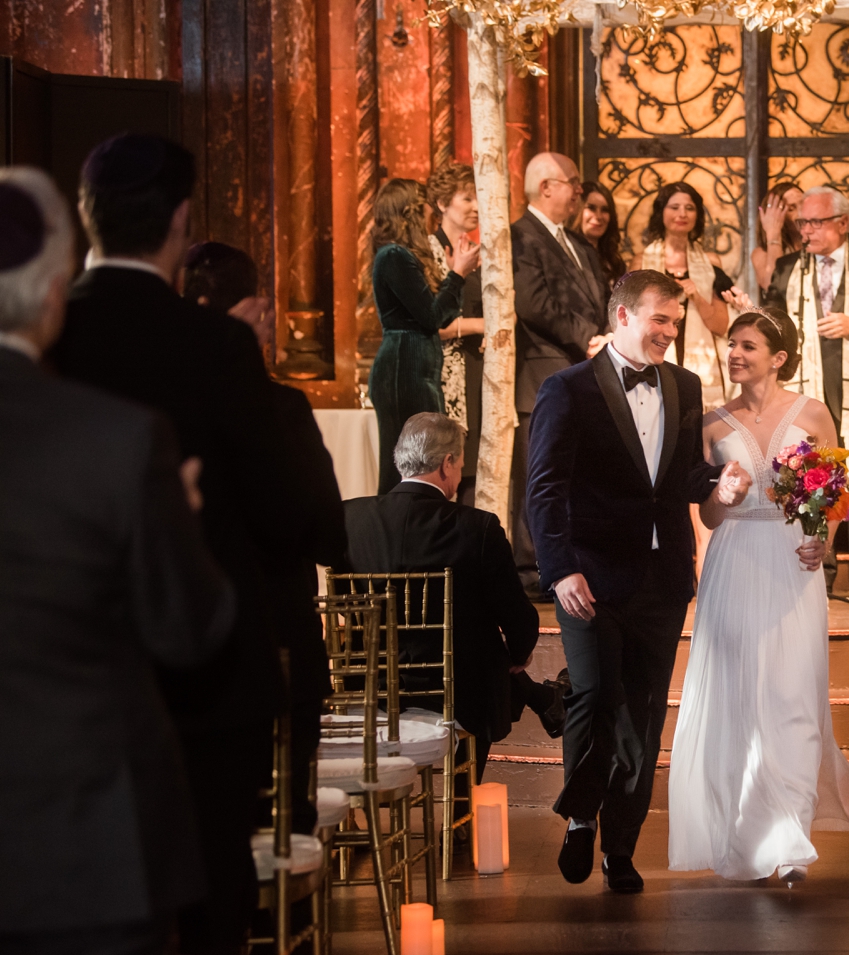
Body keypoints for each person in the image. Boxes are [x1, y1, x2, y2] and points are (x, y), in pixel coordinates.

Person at [51, 133, 298, 955]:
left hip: (75, 661)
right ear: (182, 222)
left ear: (87, 220)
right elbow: (278, 509)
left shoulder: (51, 341)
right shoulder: (219, 348)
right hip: (211, 670)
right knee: (211, 885)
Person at [0, 167, 232, 955]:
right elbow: (191, 630)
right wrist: (182, 520)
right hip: (86, 849)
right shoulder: (119, 442)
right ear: (55, 293)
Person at [527, 270, 752, 892]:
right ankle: (580, 817)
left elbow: (681, 479)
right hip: (589, 579)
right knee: (596, 700)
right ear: (622, 316)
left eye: (675, 322)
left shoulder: (685, 385)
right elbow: (543, 490)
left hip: (663, 578)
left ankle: (619, 848)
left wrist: (718, 484)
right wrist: (559, 568)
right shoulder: (566, 389)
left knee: (647, 715)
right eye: (660, 319)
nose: (669, 332)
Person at [669, 308, 849, 884]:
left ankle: (790, 839)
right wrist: (726, 492)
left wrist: (825, 544)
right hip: (736, 559)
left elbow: (835, 495)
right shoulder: (712, 423)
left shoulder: (813, 413)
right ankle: (742, 832)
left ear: (779, 357)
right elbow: (710, 517)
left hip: (794, 564)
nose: (734, 354)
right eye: (732, 345)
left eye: (747, 346)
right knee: (741, 696)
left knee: (793, 696)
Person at [182, 241, 347, 834]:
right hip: (275, 624)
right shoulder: (278, 408)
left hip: (189, 636)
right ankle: (289, 921)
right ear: (251, 312)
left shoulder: (159, 405)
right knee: (286, 809)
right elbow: (326, 532)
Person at [343, 413, 557, 773]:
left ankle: (545, 699)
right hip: (455, 696)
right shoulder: (477, 528)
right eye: (460, 463)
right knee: (480, 648)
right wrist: (518, 652)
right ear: (447, 463)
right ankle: (460, 809)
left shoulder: (349, 519)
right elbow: (517, 618)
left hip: (369, 688)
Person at [762, 186, 849, 603]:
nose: (806, 231)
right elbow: (773, 326)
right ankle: (818, 567)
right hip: (806, 386)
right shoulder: (790, 267)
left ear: (842, 223)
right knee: (811, 474)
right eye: (802, 222)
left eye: (815, 222)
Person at [512, 152, 609, 598]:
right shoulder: (520, 238)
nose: (579, 191)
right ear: (546, 187)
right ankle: (533, 568)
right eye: (573, 182)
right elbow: (534, 304)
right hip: (545, 373)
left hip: (585, 371)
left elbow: (596, 297)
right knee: (542, 472)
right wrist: (589, 336)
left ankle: (575, 559)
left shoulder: (578, 244)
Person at [368, 176, 479, 493]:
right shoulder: (394, 256)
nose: (431, 218)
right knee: (408, 465)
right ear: (410, 214)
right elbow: (431, 318)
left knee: (425, 461)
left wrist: (452, 276)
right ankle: (400, 534)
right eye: (425, 211)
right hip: (404, 367)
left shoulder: (404, 256)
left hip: (417, 366)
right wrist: (457, 274)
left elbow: (436, 314)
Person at [632, 181, 735, 409]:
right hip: (653, 351)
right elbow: (630, 320)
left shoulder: (710, 263)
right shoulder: (641, 262)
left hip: (701, 361)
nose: (682, 214)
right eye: (674, 207)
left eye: (689, 208)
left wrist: (696, 295)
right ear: (661, 213)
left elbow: (721, 325)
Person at [427, 162, 487, 505]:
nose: (476, 206)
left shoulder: (477, 255)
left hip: (473, 374)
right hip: (443, 378)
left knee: (471, 474)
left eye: (479, 197)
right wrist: (483, 326)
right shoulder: (429, 253)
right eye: (467, 198)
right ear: (442, 203)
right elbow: (435, 324)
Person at [750, 182, 803, 298]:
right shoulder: (760, 254)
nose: (801, 214)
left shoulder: (817, 247)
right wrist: (773, 233)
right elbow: (772, 284)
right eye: (791, 208)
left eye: (803, 205)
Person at [576, 180, 626, 290]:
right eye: (591, 208)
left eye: (605, 210)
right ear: (577, 210)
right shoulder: (568, 255)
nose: (598, 216)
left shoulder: (612, 259)